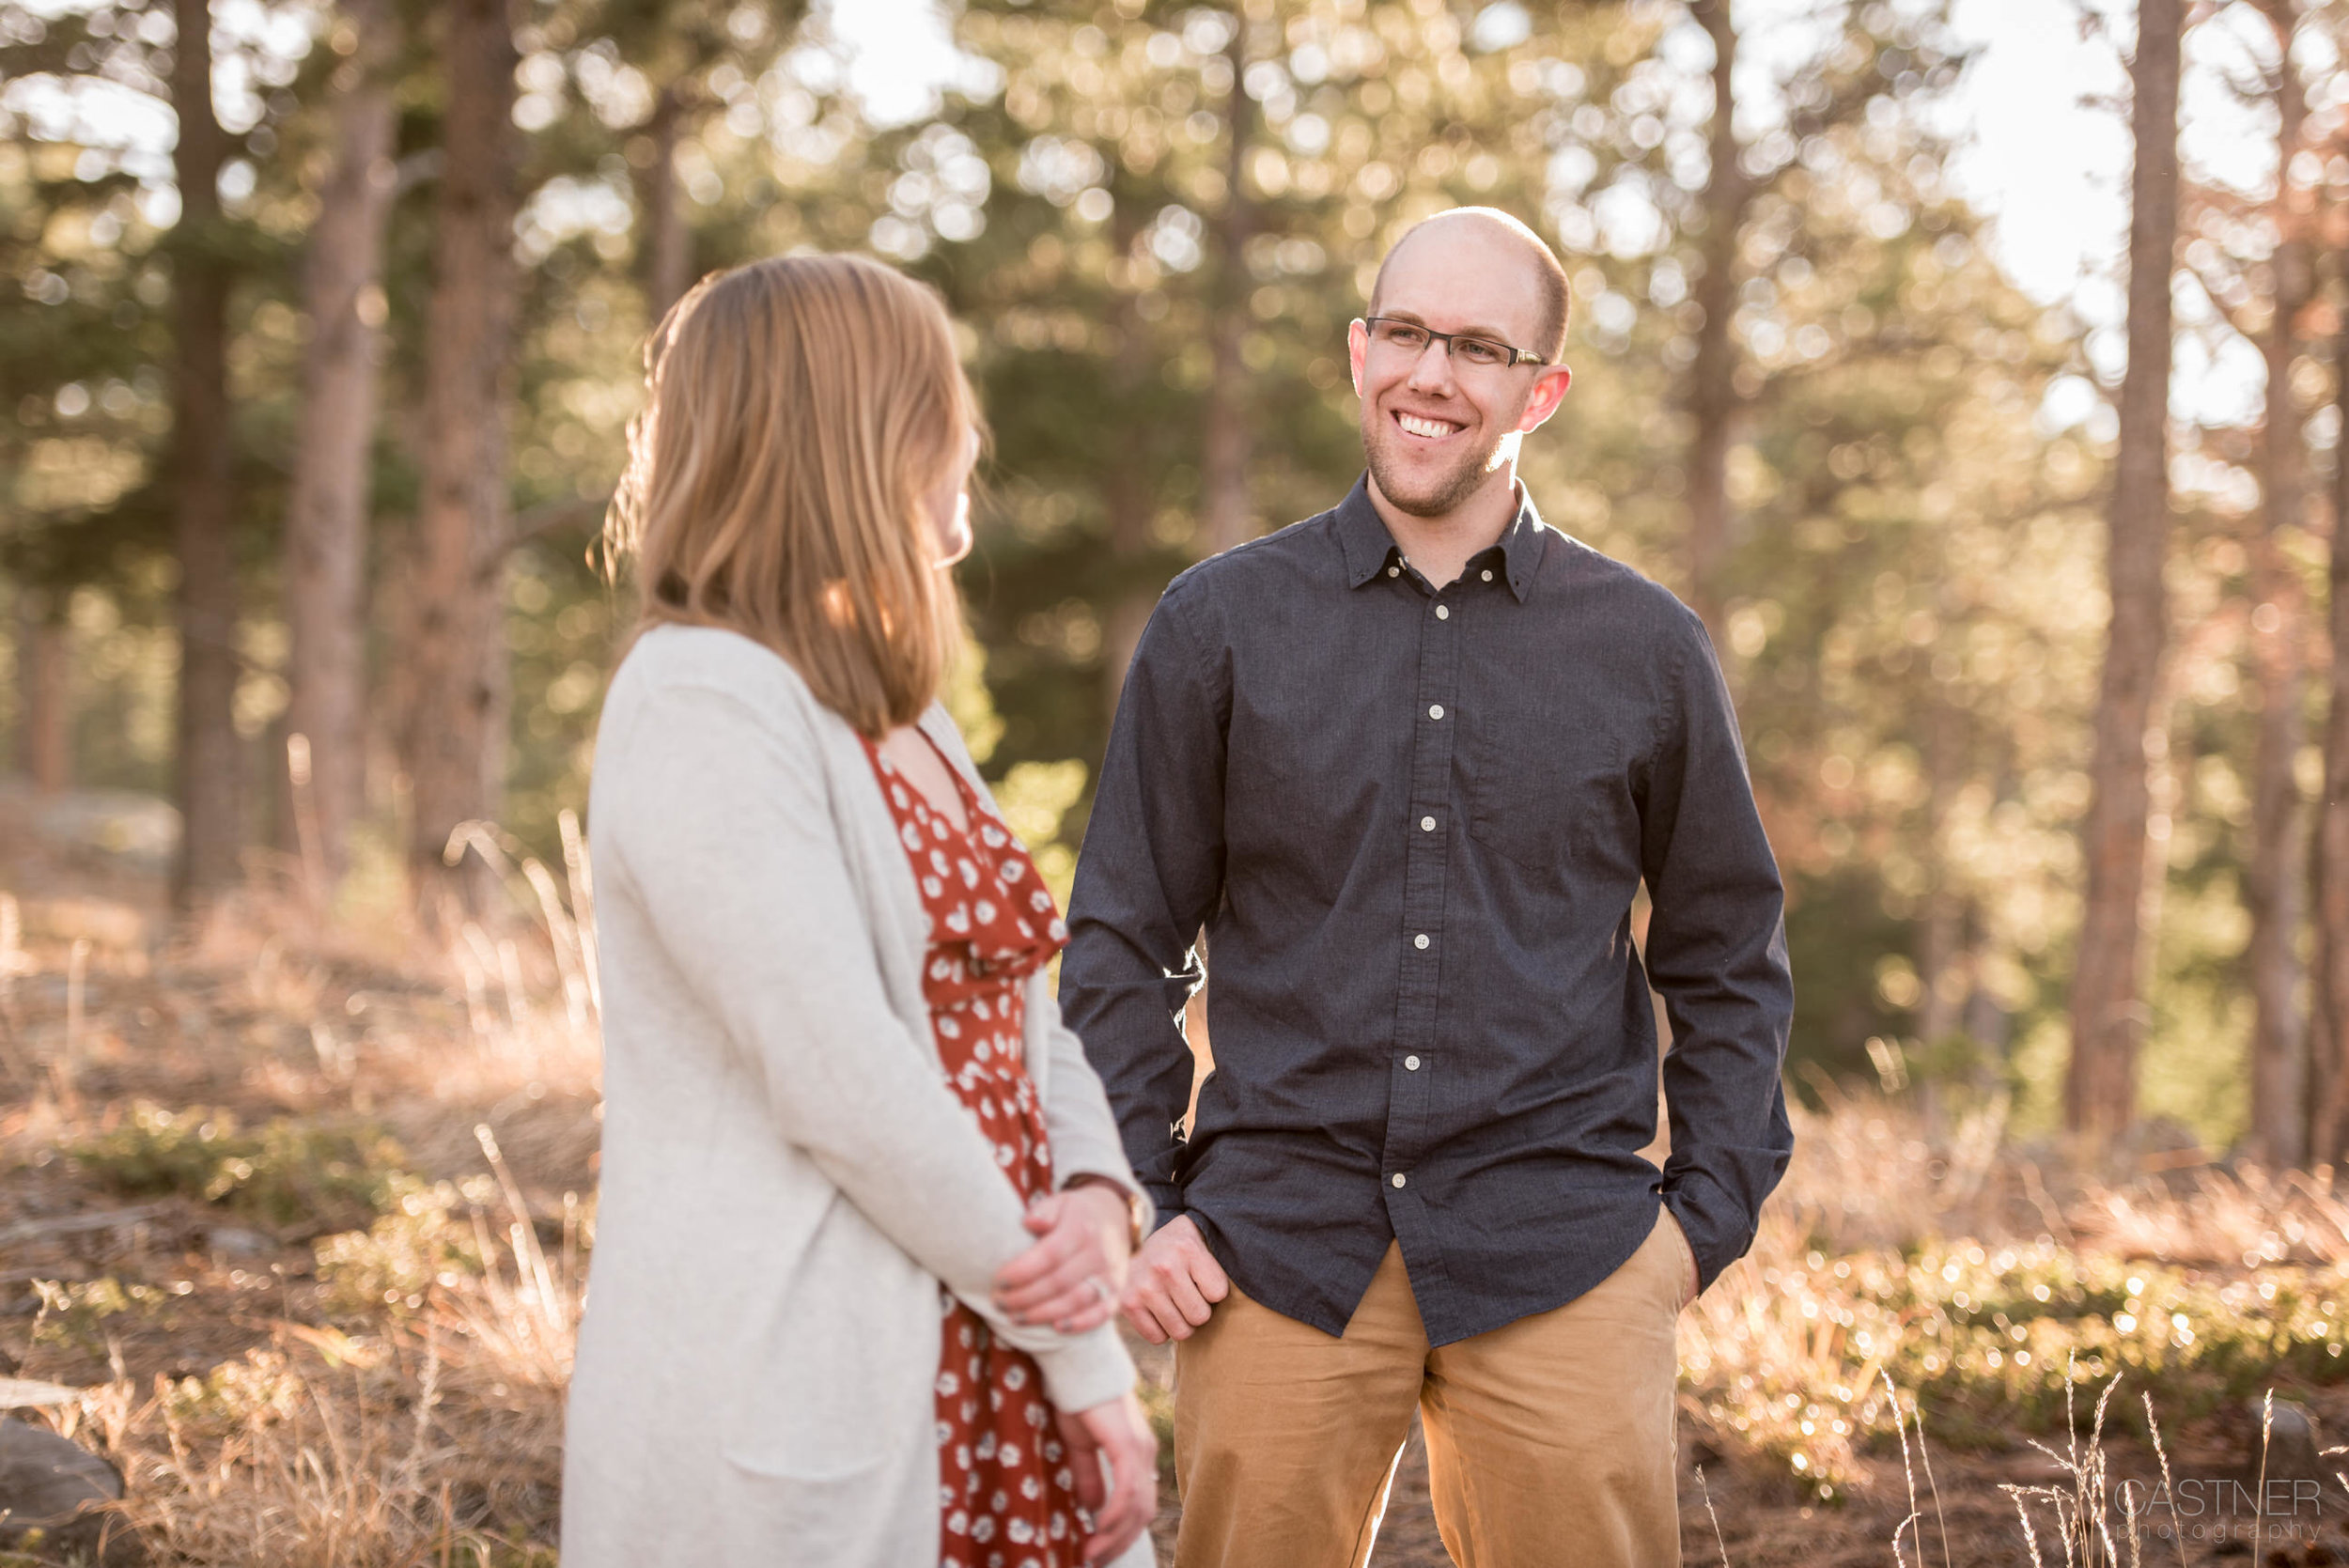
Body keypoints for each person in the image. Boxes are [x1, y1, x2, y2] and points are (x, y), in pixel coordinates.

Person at [1060, 207, 1795, 1568]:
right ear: (1357, 351)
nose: (1430, 374)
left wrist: (1701, 1222)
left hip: (1564, 1242)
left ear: (1542, 389)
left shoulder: (1645, 646)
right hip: (1272, 1247)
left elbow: (1729, 947)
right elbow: (1120, 937)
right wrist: (1144, 1194)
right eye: (1405, 332)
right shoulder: (1219, 622)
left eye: (1476, 346)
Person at [564, 254, 1158, 1568]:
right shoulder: (704, 699)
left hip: (989, 1328)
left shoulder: (901, 711)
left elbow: (1022, 1007)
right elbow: (840, 1070)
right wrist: (1076, 1344)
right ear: (858, 437)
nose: (974, 439)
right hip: (825, 1358)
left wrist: (1099, 1190)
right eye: (945, 406)